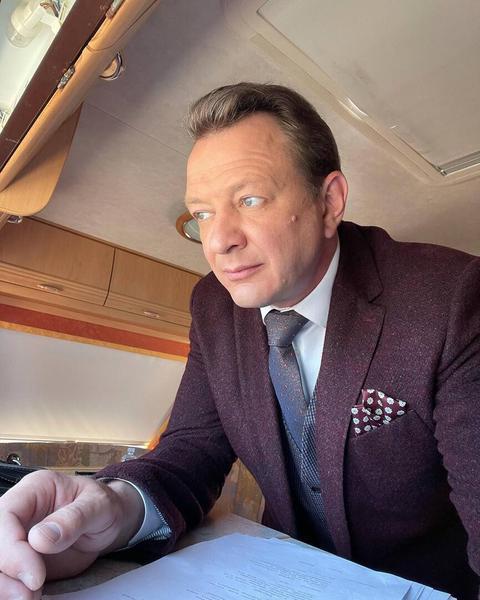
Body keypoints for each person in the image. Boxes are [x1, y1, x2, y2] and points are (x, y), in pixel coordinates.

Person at [0, 83, 478, 600]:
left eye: (249, 200)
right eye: (202, 214)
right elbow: (191, 450)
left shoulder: (450, 297)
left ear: (329, 201)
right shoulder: (213, 305)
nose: (218, 241)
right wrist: (113, 506)